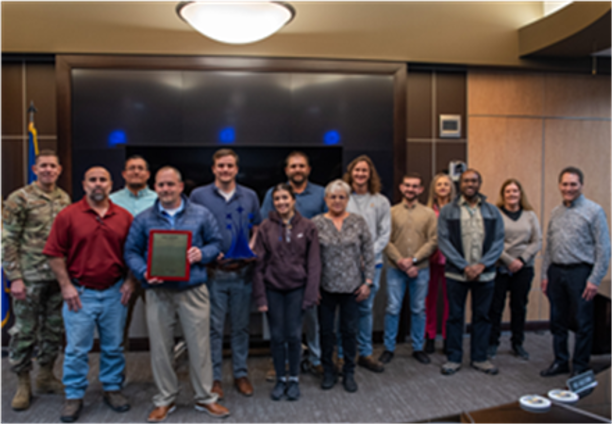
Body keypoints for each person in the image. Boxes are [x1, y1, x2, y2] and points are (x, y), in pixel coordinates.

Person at [124, 167, 230, 422]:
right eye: (161, 185)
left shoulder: (201, 214)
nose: (166, 189)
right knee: (160, 348)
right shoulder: (144, 219)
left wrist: (201, 254)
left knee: (200, 347)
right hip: (158, 292)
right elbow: (131, 251)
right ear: (155, 187)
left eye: (171, 184)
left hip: (193, 290)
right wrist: (143, 272)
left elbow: (217, 243)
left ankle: (205, 398)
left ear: (181, 187)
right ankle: (165, 399)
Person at [43, 167, 135, 423]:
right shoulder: (68, 215)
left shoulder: (124, 216)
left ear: (110, 184)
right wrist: (66, 285)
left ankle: (112, 389)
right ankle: (73, 396)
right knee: (76, 350)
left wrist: (130, 281)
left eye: (102, 180)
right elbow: (54, 253)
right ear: (84, 184)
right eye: (92, 180)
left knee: (114, 347)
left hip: (115, 293)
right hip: (80, 294)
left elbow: (134, 253)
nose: (98, 184)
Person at [189, 149, 262, 399]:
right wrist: (207, 252)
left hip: (242, 273)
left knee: (241, 327)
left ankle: (241, 374)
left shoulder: (250, 195)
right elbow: (192, 230)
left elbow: (258, 228)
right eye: (221, 166)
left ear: (236, 169)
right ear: (213, 169)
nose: (225, 170)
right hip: (213, 274)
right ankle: (215, 378)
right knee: (214, 328)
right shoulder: (198, 195)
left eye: (230, 166)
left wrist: (251, 247)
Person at [3, 150, 71, 412]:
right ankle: (23, 383)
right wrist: (15, 278)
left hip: (55, 277)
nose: (48, 170)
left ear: (59, 169)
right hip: (28, 278)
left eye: (52, 166)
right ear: (34, 168)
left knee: (53, 329)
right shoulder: (19, 198)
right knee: (24, 332)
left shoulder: (64, 198)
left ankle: (45, 376)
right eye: (43, 166)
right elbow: (7, 239)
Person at [260, 152, 327, 379]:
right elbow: (264, 224)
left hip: (308, 266)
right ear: (286, 170)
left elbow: (326, 224)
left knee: (311, 317)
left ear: (308, 169)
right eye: (292, 166)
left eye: (301, 166)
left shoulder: (320, 193)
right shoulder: (272, 193)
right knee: (278, 325)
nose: (297, 169)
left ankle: (315, 358)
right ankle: (282, 362)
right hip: (277, 272)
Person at [540, 167, 612, 378]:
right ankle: (561, 361)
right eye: (565, 184)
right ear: (559, 185)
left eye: (573, 184)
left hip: (580, 273)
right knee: (558, 321)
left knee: (583, 323)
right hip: (556, 273)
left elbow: (604, 248)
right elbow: (549, 247)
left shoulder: (594, 211)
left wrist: (594, 278)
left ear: (581, 185)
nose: (568, 188)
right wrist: (545, 275)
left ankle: (580, 366)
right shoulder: (555, 212)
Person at [253, 184, 321, 402]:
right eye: (277, 199)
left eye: (285, 198)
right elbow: (258, 265)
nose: (281, 202)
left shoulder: (308, 226)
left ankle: (294, 379)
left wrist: (310, 294)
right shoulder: (265, 227)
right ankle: (280, 379)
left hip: (297, 290)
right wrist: (261, 297)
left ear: (293, 200)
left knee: (293, 335)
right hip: (273, 289)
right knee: (276, 336)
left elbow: (314, 264)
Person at [438, 169, 505, 377]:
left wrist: (482, 265)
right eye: (466, 180)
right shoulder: (448, 211)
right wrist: (465, 266)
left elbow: (498, 242)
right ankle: (454, 358)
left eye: (474, 181)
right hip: (457, 274)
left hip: (485, 274)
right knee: (455, 317)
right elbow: (444, 241)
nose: (470, 184)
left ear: (479, 183)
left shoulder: (493, 211)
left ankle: (480, 358)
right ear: (460, 183)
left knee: (482, 317)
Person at [313, 180, 375, 394]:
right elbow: (309, 258)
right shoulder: (316, 223)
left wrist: (368, 282)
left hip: (352, 288)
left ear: (347, 200)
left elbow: (368, 252)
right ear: (326, 199)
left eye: (342, 197)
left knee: (349, 332)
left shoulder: (358, 221)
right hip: (325, 288)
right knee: (326, 332)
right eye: (333, 197)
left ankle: (349, 372)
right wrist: (312, 288)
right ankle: (328, 371)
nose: (337, 201)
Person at [340, 155, 391, 373]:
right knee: (344, 310)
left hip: (373, 265)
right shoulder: (343, 198)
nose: (360, 174)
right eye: (357, 170)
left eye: (364, 171)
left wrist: (367, 256)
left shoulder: (380, 201)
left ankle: (365, 353)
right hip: (345, 265)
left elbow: (384, 233)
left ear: (370, 175)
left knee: (365, 309)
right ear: (350, 173)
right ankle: (342, 355)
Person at [380, 174, 438, 366]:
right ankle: (389, 348)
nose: (411, 189)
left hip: (420, 269)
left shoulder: (429, 214)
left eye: (415, 186)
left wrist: (413, 260)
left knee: (419, 309)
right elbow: (385, 240)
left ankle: (417, 348)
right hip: (395, 269)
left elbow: (434, 241)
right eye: (407, 186)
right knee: (392, 309)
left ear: (421, 190)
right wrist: (401, 261)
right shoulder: (391, 212)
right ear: (401, 187)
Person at [488, 179, 542, 361]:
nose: (512, 194)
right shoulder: (496, 214)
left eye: (515, 191)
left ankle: (517, 342)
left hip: (523, 268)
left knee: (519, 307)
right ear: (503, 195)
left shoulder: (530, 215)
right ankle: (492, 343)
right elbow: (492, 241)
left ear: (520, 194)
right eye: (508, 191)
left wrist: (521, 260)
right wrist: (509, 260)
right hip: (500, 267)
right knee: (496, 308)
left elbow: (537, 241)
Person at [109, 155, 158, 349]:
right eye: (131, 168)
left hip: (153, 270)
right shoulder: (111, 201)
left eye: (140, 168)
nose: (136, 172)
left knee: (160, 327)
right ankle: (116, 377)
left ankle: (163, 377)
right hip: (120, 271)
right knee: (117, 329)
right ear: (124, 174)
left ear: (147, 174)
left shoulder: (159, 199)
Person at [424, 173, 456, 355]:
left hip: (451, 261)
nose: (443, 187)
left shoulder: (458, 210)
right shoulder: (428, 211)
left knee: (449, 302)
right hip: (431, 260)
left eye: (446, 184)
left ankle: (446, 338)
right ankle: (429, 337)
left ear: (451, 188)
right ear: (434, 190)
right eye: (439, 185)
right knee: (429, 301)